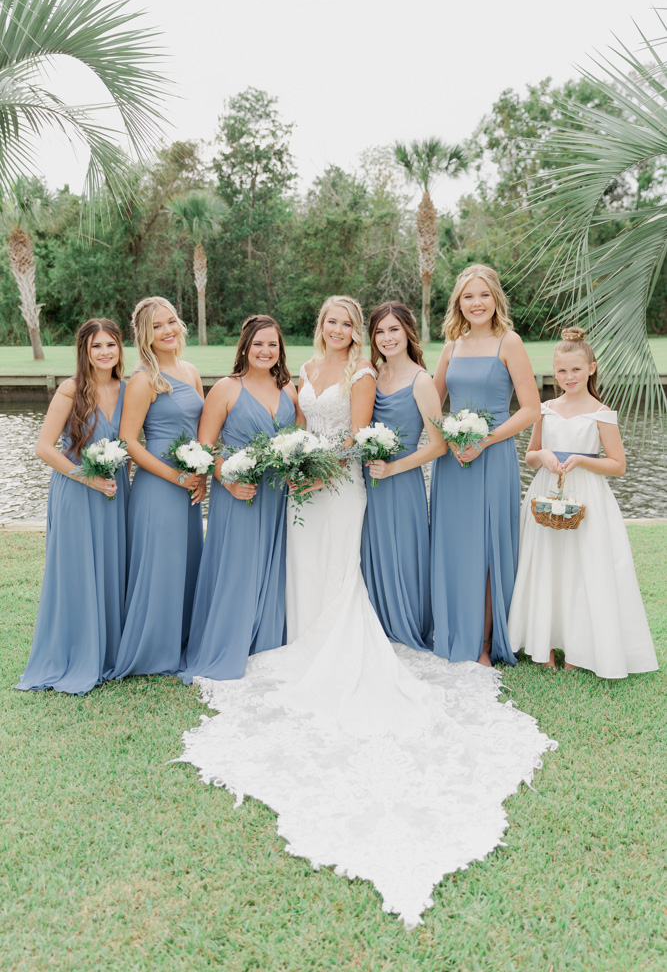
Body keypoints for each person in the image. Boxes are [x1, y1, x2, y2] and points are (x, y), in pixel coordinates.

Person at [177, 294, 555, 927]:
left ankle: (341, 640)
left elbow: (353, 439)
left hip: (340, 484)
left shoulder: (358, 377)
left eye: (350, 323)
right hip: (303, 483)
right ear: (320, 327)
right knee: (302, 565)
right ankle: (296, 636)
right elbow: (295, 427)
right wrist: (294, 465)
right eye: (334, 321)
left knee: (339, 569)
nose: (342, 329)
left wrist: (320, 469)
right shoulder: (298, 375)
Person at [508, 328, 658, 677]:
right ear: (554, 372)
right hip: (547, 492)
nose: (568, 377)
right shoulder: (544, 409)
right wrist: (543, 454)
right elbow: (530, 456)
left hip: (587, 496)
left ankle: (578, 645)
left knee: (582, 566)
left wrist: (581, 459)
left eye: (575, 370)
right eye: (561, 371)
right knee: (547, 563)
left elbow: (617, 465)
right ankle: (542, 640)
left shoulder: (601, 413)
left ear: (591, 368)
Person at [431, 264, 541, 666]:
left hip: (492, 457)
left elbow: (531, 408)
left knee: (490, 547)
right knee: (455, 545)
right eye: (467, 296)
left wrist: (485, 440)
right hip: (453, 462)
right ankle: (452, 628)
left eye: (483, 295)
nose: (476, 303)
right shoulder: (451, 347)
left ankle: (484, 643)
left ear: (495, 298)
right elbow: (431, 405)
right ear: (458, 303)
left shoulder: (508, 342)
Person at [179, 315, 297, 684]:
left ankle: (267, 642)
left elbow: (299, 442)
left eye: (272, 344)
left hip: (278, 497)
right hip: (239, 494)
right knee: (237, 568)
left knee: (274, 568)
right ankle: (227, 643)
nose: (265, 351)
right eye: (258, 344)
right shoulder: (227, 389)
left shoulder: (289, 389)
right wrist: (228, 482)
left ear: (280, 350)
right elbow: (205, 447)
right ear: (245, 346)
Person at [16, 318, 129, 694]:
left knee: (112, 567)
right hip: (78, 491)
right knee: (79, 571)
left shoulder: (127, 389)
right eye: (96, 346)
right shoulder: (71, 389)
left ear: (119, 349)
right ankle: (75, 652)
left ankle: (109, 650)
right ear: (84, 350)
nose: (104, 353)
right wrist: (88, 478)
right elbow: (44, 448)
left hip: (115, 491)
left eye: (110, 345)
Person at [111, 297, 205, 680]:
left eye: (171, 322)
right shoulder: (143, 380)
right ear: (144, 336)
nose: (167, 331)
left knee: (185, 563)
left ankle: (181, 640)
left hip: (190, 484)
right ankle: (152, 649)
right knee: (160, 566)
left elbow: (203, 431)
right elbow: (130, 442)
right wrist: (177, 477)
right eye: (157, 327)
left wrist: (203, 472)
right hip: (159, 486)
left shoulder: (191, 370)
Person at [360, 301, 445, 649]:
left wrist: (393, 467)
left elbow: (439, 445)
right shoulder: (370, 373)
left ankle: (405, 625)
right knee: (369, 551)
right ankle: (373, 624)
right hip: (367, 479)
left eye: (394, 329)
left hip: (401, 479)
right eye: (379, 331)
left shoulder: (421, 381)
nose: (386, 337)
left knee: (402, 552)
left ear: (408, 332)